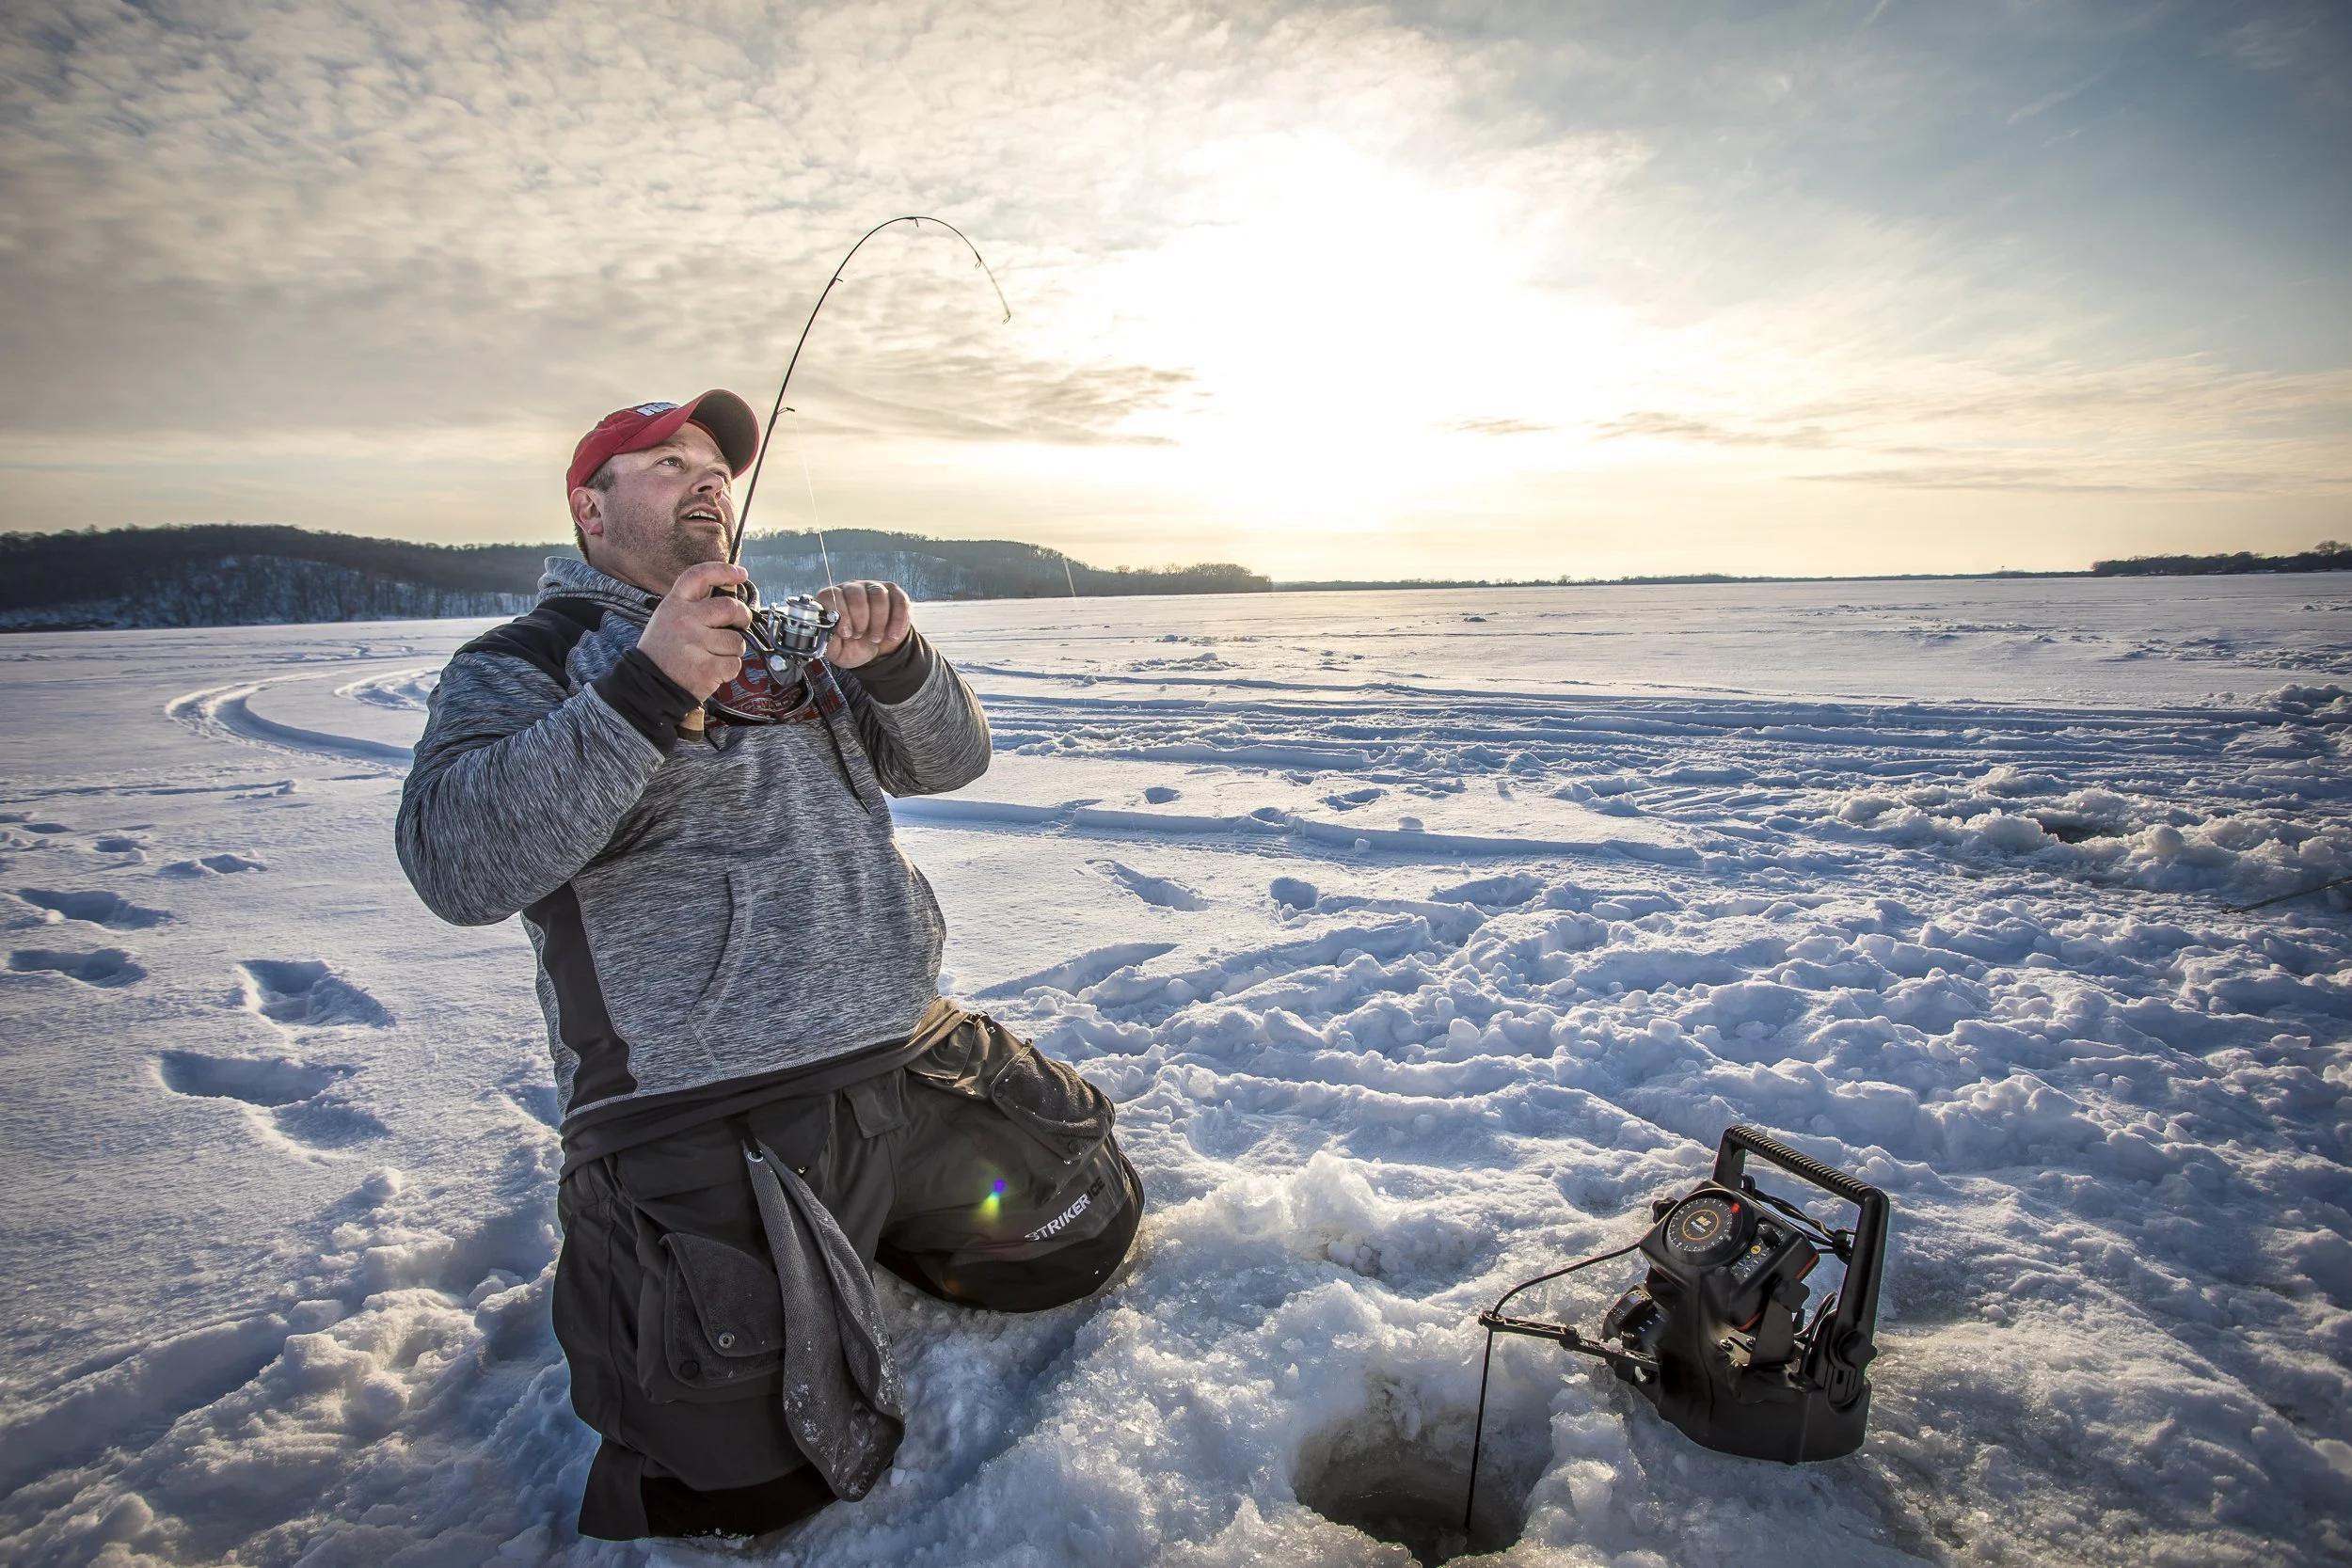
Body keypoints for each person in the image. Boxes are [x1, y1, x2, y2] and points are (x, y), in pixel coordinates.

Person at [394, 391, 1144, 1542]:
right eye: (664, 461)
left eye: (713, 464)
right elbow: (458, 863)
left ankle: (867, 1226)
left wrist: (896, 661)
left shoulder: (786, 641)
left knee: (1082, 1238)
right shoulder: (528, 659)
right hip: (703, 1111)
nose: (706, 479)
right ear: (590, 506)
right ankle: (797, 1252)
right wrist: (645, 686)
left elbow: (954, 758)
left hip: (908, 1054)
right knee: (740, 1483)